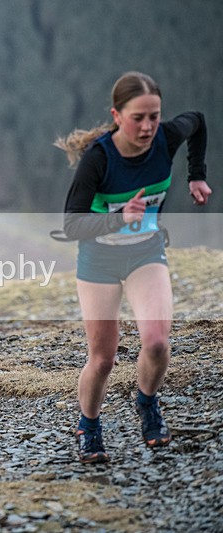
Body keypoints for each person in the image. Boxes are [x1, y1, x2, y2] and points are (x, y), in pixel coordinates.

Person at [55, 71, 212, 463]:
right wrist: (120, 217)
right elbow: (71, 224)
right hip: (99, 260)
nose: (147, 127)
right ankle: (88, 425)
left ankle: (146, 401)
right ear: (116, 115)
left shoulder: (167, 137)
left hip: (146, 253)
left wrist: (196, 176)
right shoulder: (98, 159)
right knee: (103, 359)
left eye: (154, 116)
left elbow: (199, 121)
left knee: (157, 342)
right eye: (138, 118)